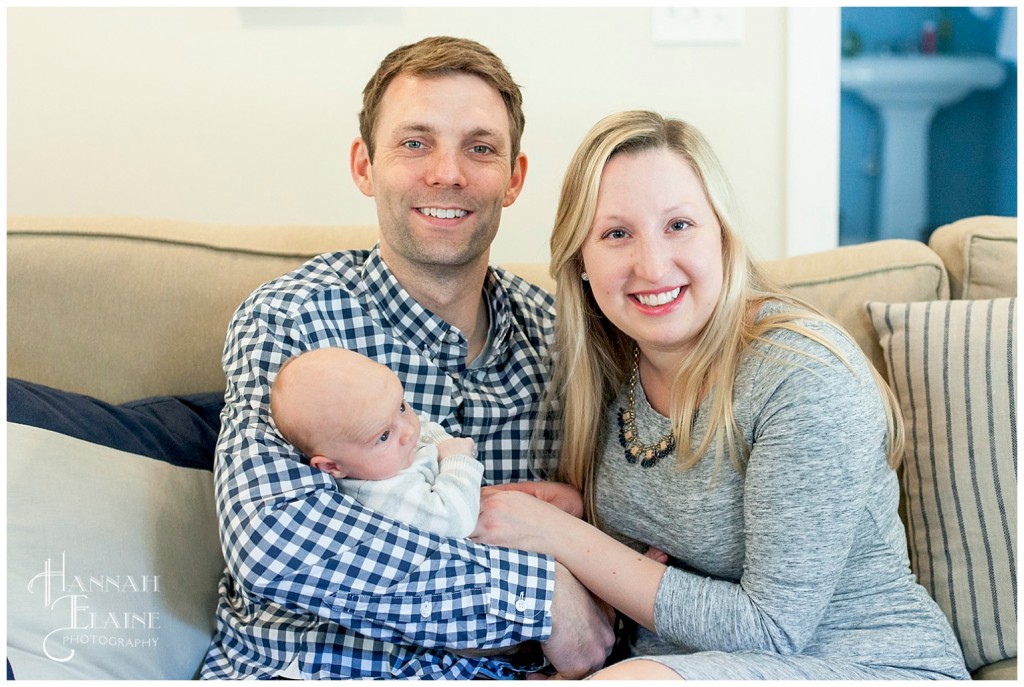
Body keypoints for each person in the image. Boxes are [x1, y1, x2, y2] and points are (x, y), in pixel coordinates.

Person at [472, 110, 970, 680]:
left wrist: (563, 536)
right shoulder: (613, 365)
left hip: (867, 664)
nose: (652, 265)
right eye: (616, 233)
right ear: (581, 261)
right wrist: (587, 513)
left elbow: (771, 629)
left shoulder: (800, 374)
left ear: (723, 235)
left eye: (678, 225)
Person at [201, 36, 614, 679]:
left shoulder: (569, 340)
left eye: (480, 148)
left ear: (514, 178)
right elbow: (276, 539)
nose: (447, 173)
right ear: (364, 165)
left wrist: (580, 527)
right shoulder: (292, 319)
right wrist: (542, 600)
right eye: (414, 142)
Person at [270, 347, 482, 539]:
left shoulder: (385, 448)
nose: (408, 431)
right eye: (383, 436)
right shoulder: (385, 493)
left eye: (401, 406)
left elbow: (424, 429)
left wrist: (444, 443)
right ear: (331, 467)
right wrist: (457, 459)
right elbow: (455, 523)